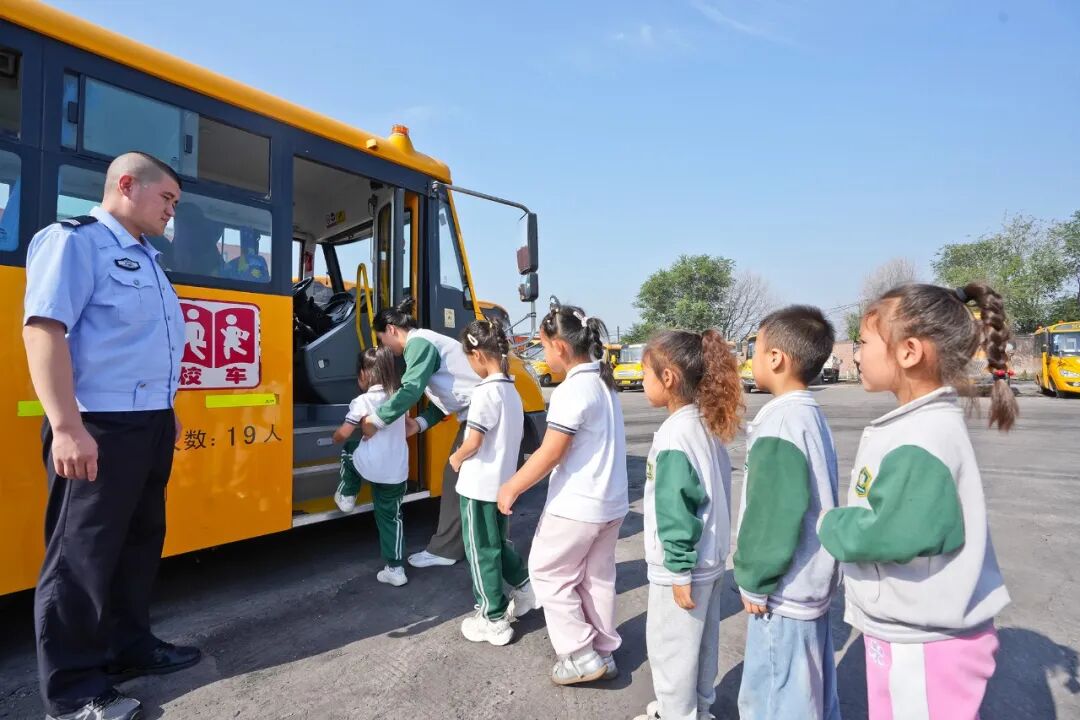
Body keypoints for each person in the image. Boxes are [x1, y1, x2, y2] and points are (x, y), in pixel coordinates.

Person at [23, 152, 201, 720]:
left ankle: (128, 648)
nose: (172, 211)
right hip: (96, 424)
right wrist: (66, 426)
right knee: (81, 558)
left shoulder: (148, 259)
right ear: (126, 185)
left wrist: (164, 408)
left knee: (138, 542)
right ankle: (73, 694)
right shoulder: (75, 243)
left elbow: (147, 346)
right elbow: (46, 330)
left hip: (147, 424)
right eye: (166, 199)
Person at [818, 283, 1015, 720]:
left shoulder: (922, 436)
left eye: (864, 343)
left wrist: (829, 524)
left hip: (926, 641)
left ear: (908, 352)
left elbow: (893, 532)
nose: (855, 354)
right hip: (909, 630)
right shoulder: (915, 425)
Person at [497, 303, 628, 686]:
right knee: (596, 579)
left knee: (547, 572)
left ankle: (579, 654)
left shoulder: (574, 389)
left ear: (561, 348)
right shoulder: (603, 383)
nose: (544, 357)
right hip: (611, 503)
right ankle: (604, 652)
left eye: (543, 347)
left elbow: (552, 451)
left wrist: (512, 486)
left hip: (577, 506)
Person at [733, 306, 842, 720]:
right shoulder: (807, 413)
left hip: (784, 590)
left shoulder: (779, 421)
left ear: (776, 358)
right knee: (810, 692)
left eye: (755, 350)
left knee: (776, 697)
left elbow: (773, 512)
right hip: (810, 583)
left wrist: (755, 582)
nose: (752, 359)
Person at [632, 329, 742, 720]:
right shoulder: (704, 425)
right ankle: (698, 709)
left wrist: (678, 570)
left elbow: (676, 508)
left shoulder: (675, 435)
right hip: (710, 562)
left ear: (668, 378)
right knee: (701, 645)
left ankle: (676, 713)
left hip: (682, 569)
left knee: (671, 650)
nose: (641, 380)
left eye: (645, 373)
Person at [359, 297, 480, 568]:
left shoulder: (418, 344)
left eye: (382, 340)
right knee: (465, 480)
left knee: (455, 477)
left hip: (482, 414)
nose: (384, 348)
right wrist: (419, 424)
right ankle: (469, 544)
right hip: (478, 412)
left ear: (391, 329)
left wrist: (376, 419)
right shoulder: (425, 344)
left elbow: (411, 389)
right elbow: (449, 398)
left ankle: (447, 551)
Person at [452, 319, 539, 646]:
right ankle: (525, 589)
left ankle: (493, 618)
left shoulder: (485, 393)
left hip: (478, 489)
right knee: (498, 546)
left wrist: (457, 458)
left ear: (477, 355)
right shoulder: (511, 391)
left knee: (480, 552)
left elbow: (473, 441)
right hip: (502, 485)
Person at [332, 346, 409, 587]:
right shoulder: (399, 398)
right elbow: (406, 427)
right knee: (391, 518)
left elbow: (344, 433)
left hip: (370, 465)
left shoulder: (361, 401)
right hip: (396, 471)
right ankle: (396, 569)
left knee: (348, 451)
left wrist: (334, 437)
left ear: (364, 374)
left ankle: (347, 494)